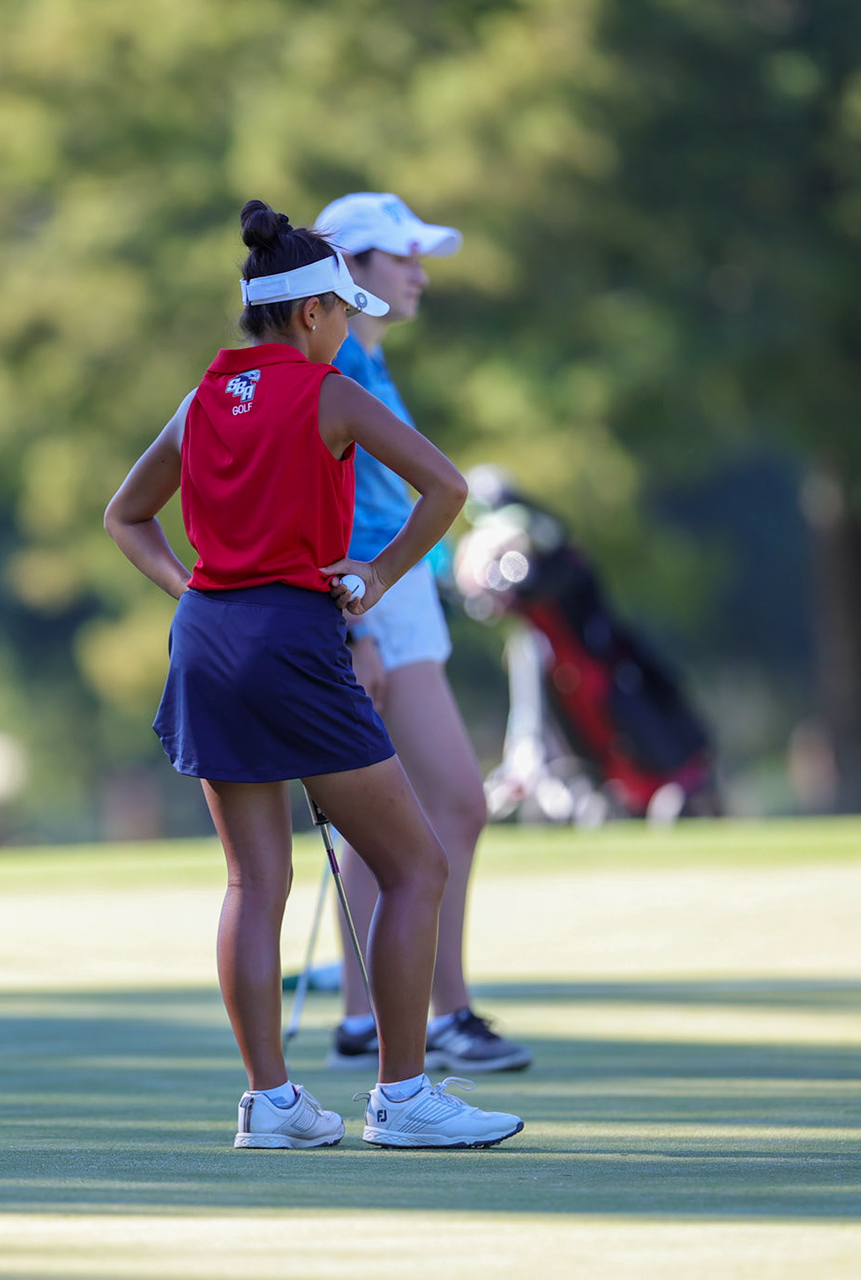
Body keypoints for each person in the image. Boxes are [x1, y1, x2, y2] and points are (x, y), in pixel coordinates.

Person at [104, 199, 524, 1151]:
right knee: (416, 865)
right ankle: (407, 1095)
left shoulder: (200, 398)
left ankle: (270, 1104)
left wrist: (189, 590)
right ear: (310, 314)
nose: (346, 327)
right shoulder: (328, 391)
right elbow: (448, 488)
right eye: (341, 312)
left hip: (206, 641)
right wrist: (375, 576)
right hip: (294, 641)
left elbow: (125, 516)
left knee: (254, 883)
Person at [312, 192, 533, 1074]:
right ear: (351, 269)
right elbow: (334, 508)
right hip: (372, 604)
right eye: (400, 258)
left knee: (393, 816)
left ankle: (370, 1018)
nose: (418, 275)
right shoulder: (346, 373)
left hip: (399, 596)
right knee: (453, 805)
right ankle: (444, 1014)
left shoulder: (372, 364)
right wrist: (352, 628)